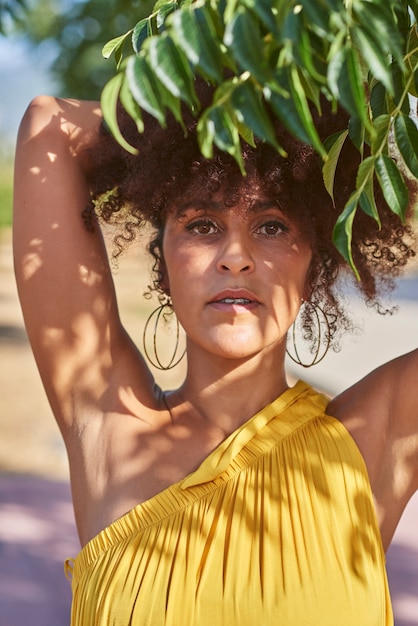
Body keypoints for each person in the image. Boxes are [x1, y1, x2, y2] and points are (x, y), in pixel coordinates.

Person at [13, 79, 418, 626]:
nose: (235, 257)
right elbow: (49, 127)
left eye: (271, 226)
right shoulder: (109, 423)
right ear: (165, 259)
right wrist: (211, 124)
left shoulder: (378, 437)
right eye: (202, 225)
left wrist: (337, 147)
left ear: (315, 259)